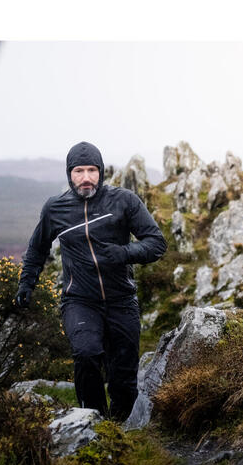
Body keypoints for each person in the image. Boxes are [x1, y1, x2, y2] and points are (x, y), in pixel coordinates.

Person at [15, 141, 167, 421]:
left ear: (101, 171)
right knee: (86, 355)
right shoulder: (55, 209)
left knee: (123, 374)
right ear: (69, 174)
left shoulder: (124, 201)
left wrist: (123, 253)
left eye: (92, 170)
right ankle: (93, 422)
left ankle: (123, 430)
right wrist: (27, 283)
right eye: (78, 171)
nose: (86, 177)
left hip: (122, 300)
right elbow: (37, 248)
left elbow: (156, 243)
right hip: (79, 301)